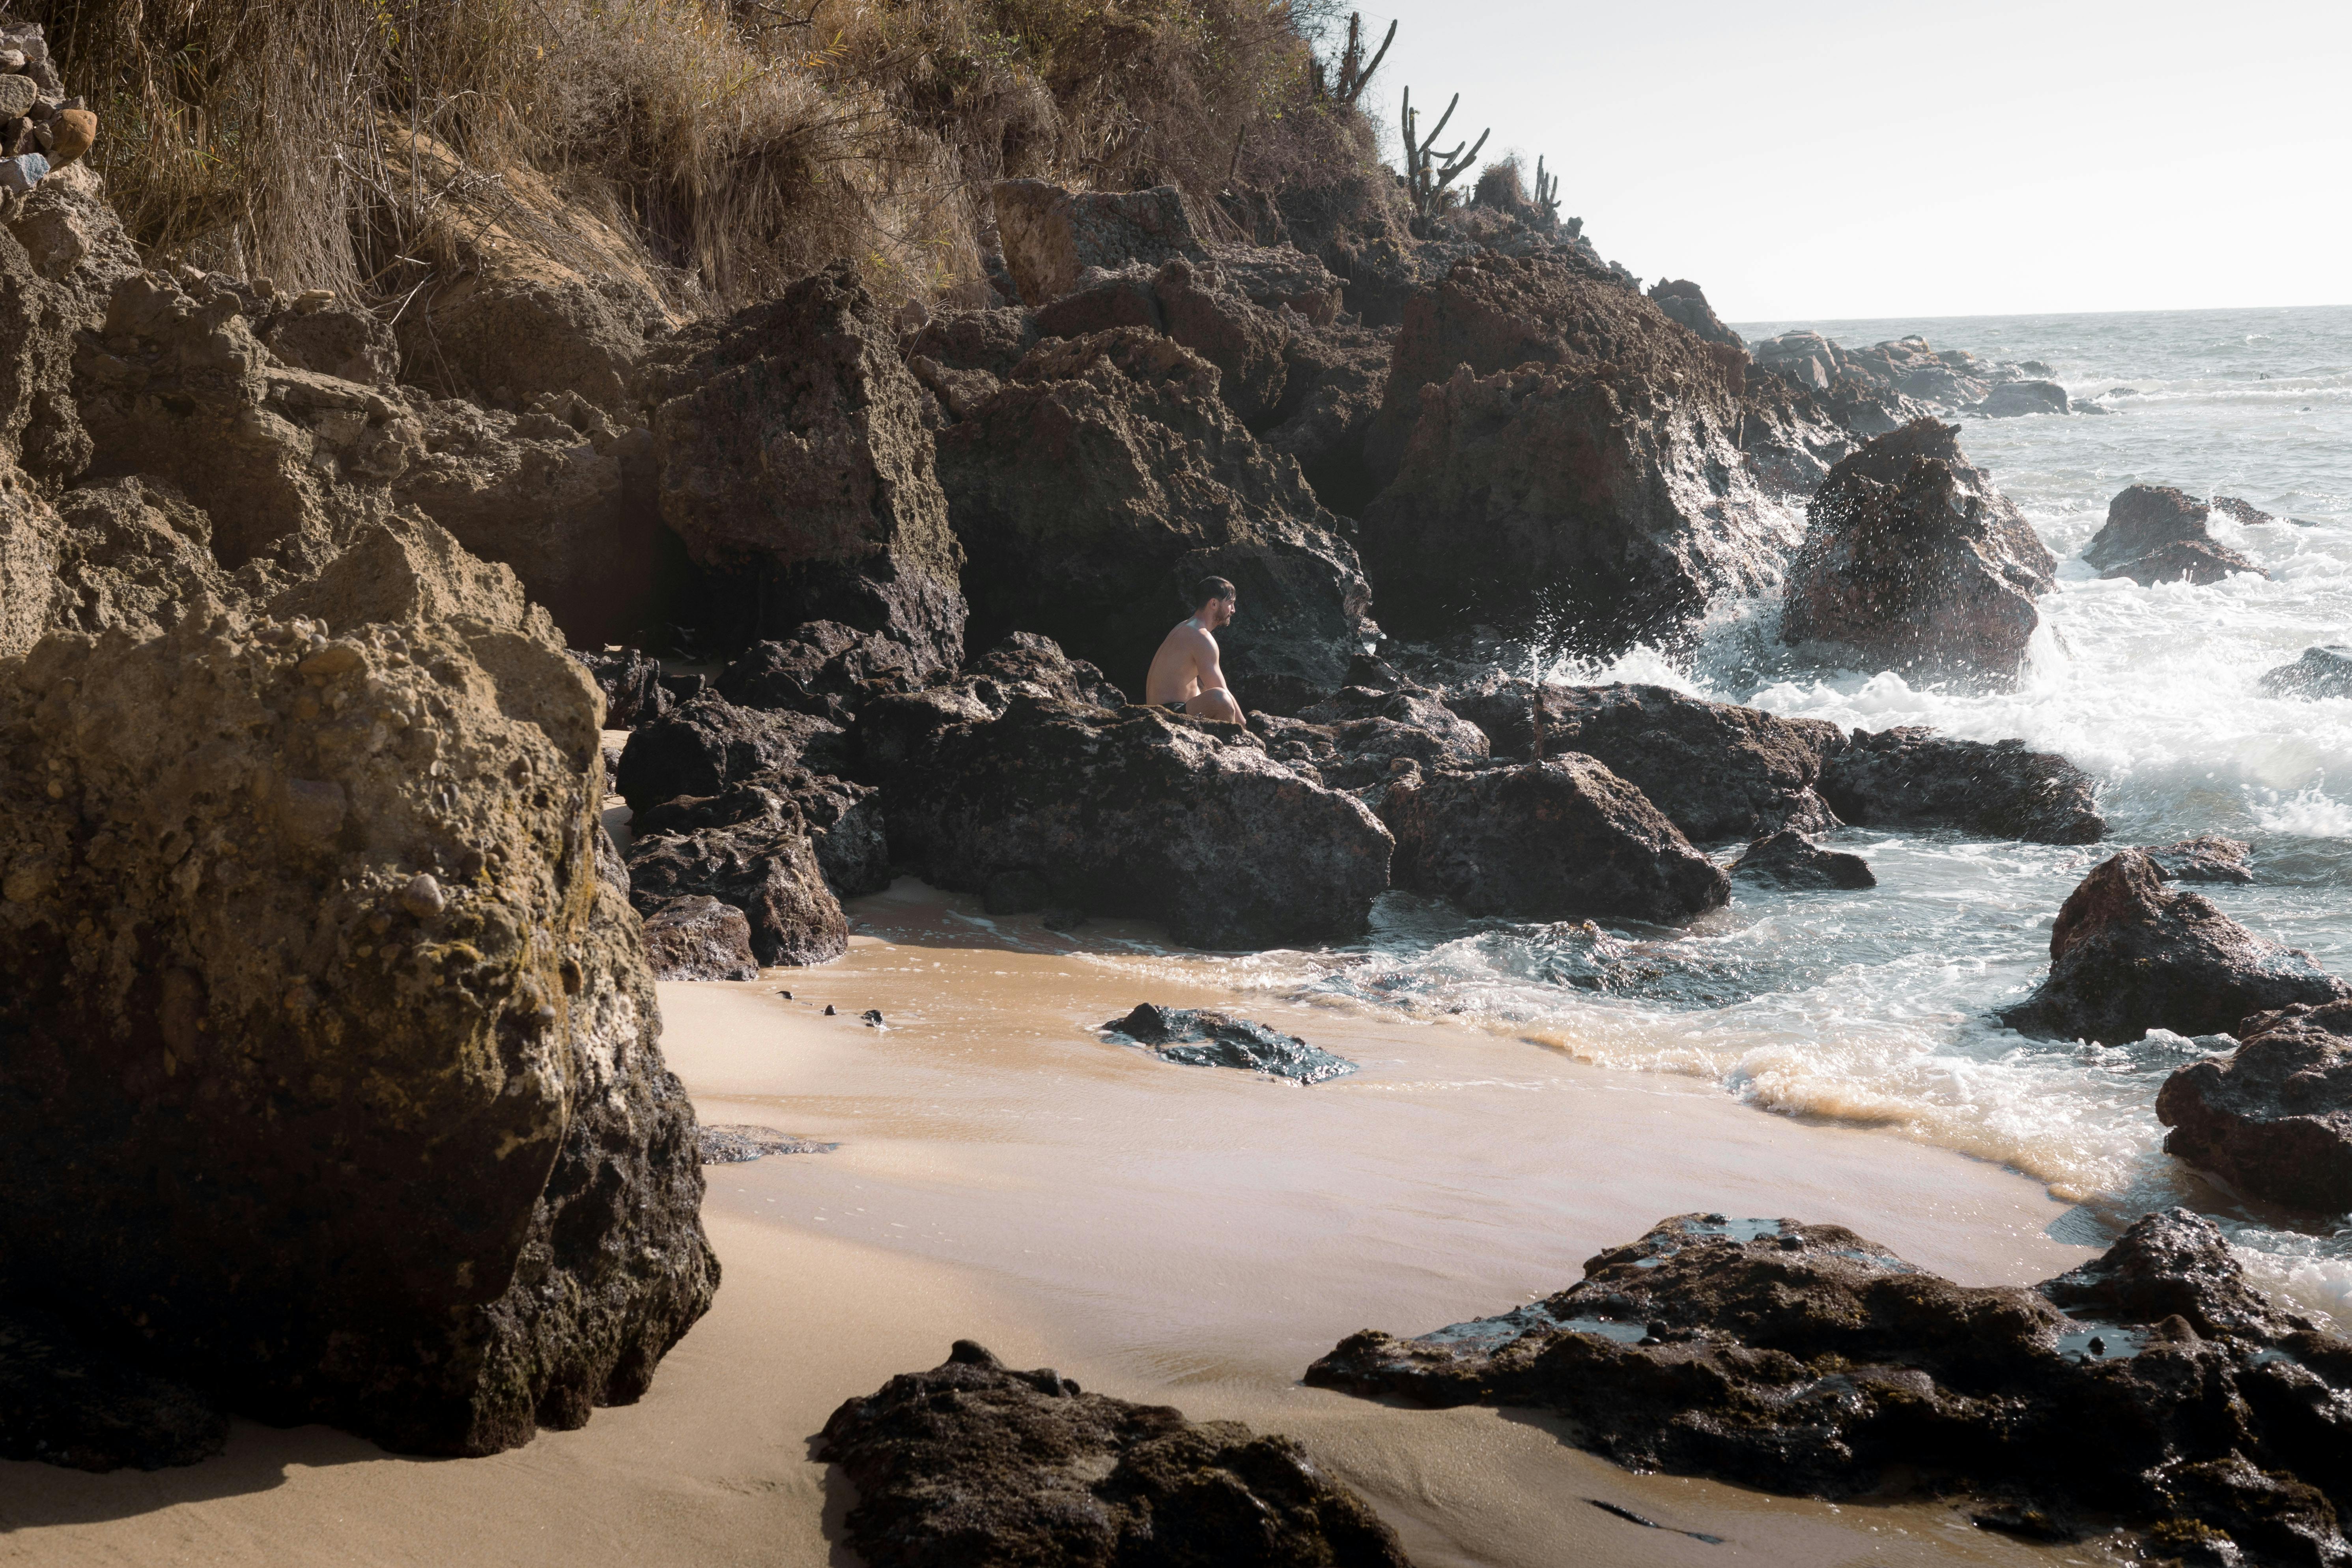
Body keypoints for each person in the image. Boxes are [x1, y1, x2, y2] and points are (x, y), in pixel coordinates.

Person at [1144, 576, 1243, 722]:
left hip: (1157, 712)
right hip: (1169, 714)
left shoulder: (1184, 627)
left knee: (1202, 686)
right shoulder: (1201, 637)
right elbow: (1222, 691)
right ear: (1214, 604)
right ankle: (1232, 741)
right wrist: (1246, 728)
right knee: (1222, 700)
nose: (1233, 610)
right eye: (1231, 603)